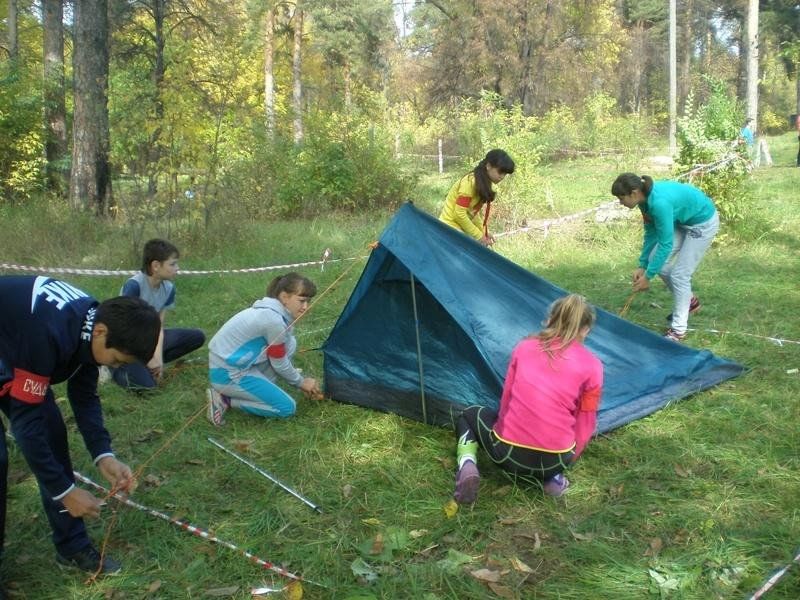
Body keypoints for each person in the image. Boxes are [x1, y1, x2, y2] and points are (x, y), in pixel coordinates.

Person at [0, 276, 160, 582]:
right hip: (15, 346)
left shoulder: (94, 326)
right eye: (116, 360)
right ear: (100, 333)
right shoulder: (48, 334)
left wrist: (104, 455)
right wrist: (65, 492)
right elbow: (25, 425)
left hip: (15, 352)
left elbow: (84, 396)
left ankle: (72, 547)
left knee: (52, 435)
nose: (114, 367)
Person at [452, 294, 603, 505]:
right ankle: (552, 479)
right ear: (586, 329)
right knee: (560, 436)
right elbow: (586, 421)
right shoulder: (594, 366)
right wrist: (567, 461)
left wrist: (503, 430)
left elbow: (507, 398)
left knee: (468, 415)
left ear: (550, 319)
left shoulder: (524, 347)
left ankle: (467, 464)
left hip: (509, 455)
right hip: (556, 459)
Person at [611, 173, 719, 342]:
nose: (620, 202)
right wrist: (643, 264)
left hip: (702, 223)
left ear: (634, 193)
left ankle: (678, 331)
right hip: (681, 221)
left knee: (680, 275)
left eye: (621, 198)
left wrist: (648, 276)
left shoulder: (659, 203)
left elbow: (666, 244)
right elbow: (651, 232)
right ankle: (689, 301)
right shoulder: (643, 201)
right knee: (656, 259)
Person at [206, 272, 322, 426]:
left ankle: (260, 387)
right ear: (284, 297)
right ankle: (225, 400)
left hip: (237, 365)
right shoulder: (273, 321)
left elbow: (279, 354)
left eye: (308, 301)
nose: (306, 307)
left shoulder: (274, 313)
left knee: (290, 342)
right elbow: (279, 363)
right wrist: (300, 382)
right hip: (227, 373)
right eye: (301, 301)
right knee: (286, 407)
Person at [111, 239, 205, 391]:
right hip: (126, 344)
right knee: (149, 388)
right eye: (172, 264)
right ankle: (114, 367)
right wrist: (149, 357)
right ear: (156, 266)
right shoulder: (134, 286)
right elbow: (125, 331)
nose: (177, 268)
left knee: (197, 336)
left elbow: (158, 326)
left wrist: (158, 359)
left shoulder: (169, 288)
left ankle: (149, 365)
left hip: (148, 338)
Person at [439, 149, 515, 246]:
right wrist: (479, 236)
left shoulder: (482, 182)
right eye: (500, 172)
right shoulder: (469, 183)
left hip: (459, 229)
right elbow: (459, 214)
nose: (502, 177)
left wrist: (484, 232)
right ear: (488, 166)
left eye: (505, 174)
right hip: (449, 228)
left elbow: (473, 213)